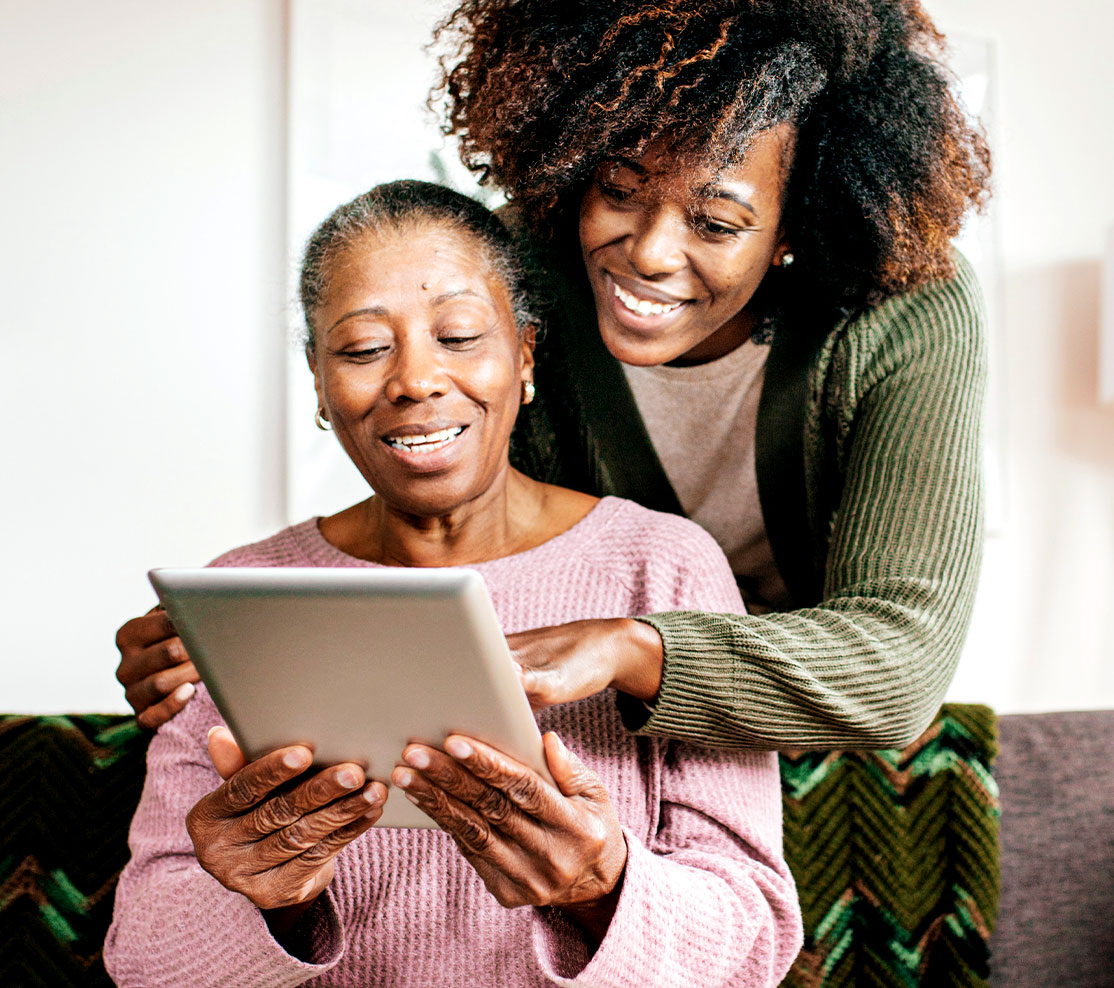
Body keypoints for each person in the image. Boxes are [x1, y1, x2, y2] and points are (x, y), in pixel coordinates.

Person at [115, 0, 991, 749]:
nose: (648, 252)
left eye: (716, 223)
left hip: (813, 742)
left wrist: (631, 648)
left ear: (795, 226)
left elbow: (898, 668)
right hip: (593, 739)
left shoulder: (906, 312)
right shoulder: (517, 282)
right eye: (619, 190)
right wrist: (234, 651)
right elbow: (454, 542)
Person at [103, 180, 801, 987]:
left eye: (462, 335)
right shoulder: (244, 592)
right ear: (321, 382)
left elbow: (755, 944)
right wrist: (270, 903)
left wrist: (600, 888)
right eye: (364, 350)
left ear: (526, 353)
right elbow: (146, 963)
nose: (417, 381)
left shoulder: (664, 567)